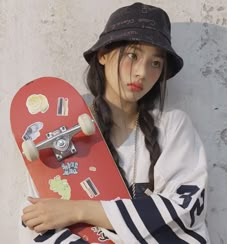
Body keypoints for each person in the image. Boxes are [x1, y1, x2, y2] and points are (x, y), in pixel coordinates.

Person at [20, 2, 210, 243]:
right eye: (132, 55)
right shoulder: (62, 134)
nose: (142, 72)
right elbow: (37, 219)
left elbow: (186, 212)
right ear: (103, 55)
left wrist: (79, 210)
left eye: (156, 63)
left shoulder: (172, 126)